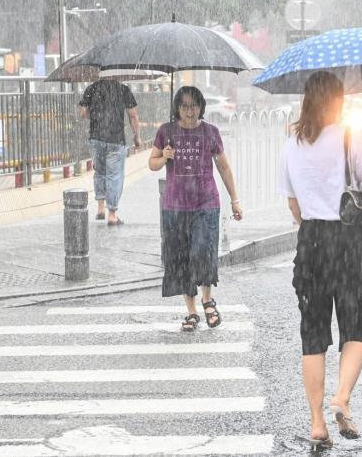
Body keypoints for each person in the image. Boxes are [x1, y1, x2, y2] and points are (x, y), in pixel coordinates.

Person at [279, 71, 362, 451]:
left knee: (313, 333)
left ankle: (317, 422)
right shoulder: (348, 136)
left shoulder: (292, 141)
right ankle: (341, 397)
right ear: (337, 99)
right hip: (349, 239)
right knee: (357, 325)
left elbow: (292, 203)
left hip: (311, 241)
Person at [149, 86, 242, 332]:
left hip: (206, 203)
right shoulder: (165, 132)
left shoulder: (210, 132)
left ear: (201, 106)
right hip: (175, 206)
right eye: (184, 106)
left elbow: (224, 168)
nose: (189, 111)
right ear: (177, 108)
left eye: (193, 106)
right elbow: (152, 164)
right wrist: (165, 156)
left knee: (203, 252)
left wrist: (235, 199)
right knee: (181, 259)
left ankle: (207, 298)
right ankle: (191, 312)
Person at [79, 77, 141, 225]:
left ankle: (100, 207)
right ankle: (112, 214)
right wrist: (137, 137)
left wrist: (95, 115)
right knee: (114, 176)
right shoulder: (123, 89)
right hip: (116, 140)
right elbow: (133, 115)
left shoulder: (92, 88)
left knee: (99, 172)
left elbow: (82, 113)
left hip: (96, 138)